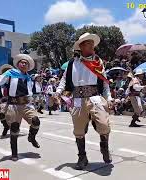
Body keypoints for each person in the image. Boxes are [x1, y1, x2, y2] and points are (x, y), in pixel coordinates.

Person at [55, 33, 113, 170]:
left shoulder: (98, 62)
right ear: (81, 46)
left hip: (95, 98)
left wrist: (109, 98)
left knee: (104, 125)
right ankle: (82, 157)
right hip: (77, 100)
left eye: (93, 44)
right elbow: (64, 79)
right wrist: (58, 92)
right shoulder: (72, 63)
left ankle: (104, 146)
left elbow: (105, 83)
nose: (92, 46)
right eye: (88, 44)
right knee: (79, 130)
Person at [0, 54, 41, 161]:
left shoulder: (28, 77)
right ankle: (14, 153)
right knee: (14, 128)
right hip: (13, 105)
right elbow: (0, 78)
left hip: (26, 105)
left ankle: (32, 137)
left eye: (26, 63)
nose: (24, 64)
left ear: (28, 66)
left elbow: (30, 91)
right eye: (22, 62)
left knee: (36, 121)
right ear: (18, 64)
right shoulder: (11, 73)